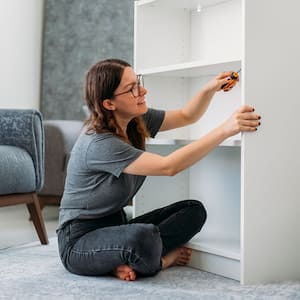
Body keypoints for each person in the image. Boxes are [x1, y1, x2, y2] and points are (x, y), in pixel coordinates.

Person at [57, 58, 261, 281]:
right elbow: (169, 166)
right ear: (109, 104)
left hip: (116, 226)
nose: (142, 90)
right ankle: (160, 261)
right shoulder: (99, 143)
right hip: (79, 241)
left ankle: (122, 259)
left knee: (193, 210)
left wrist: (210, 87)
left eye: (138, 82)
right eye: (132, 89)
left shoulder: (135, 119)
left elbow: (186, 116)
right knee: (143, 237)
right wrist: (226, 129)